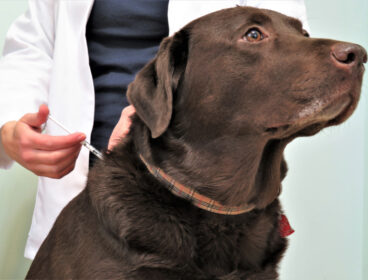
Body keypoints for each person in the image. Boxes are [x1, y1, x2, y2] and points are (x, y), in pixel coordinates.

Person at [0, 0, 309, 260]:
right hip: (86, 192)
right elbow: (35, 43)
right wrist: (10, 125)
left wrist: (148, 115)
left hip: (199, 195)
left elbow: (287, 59)